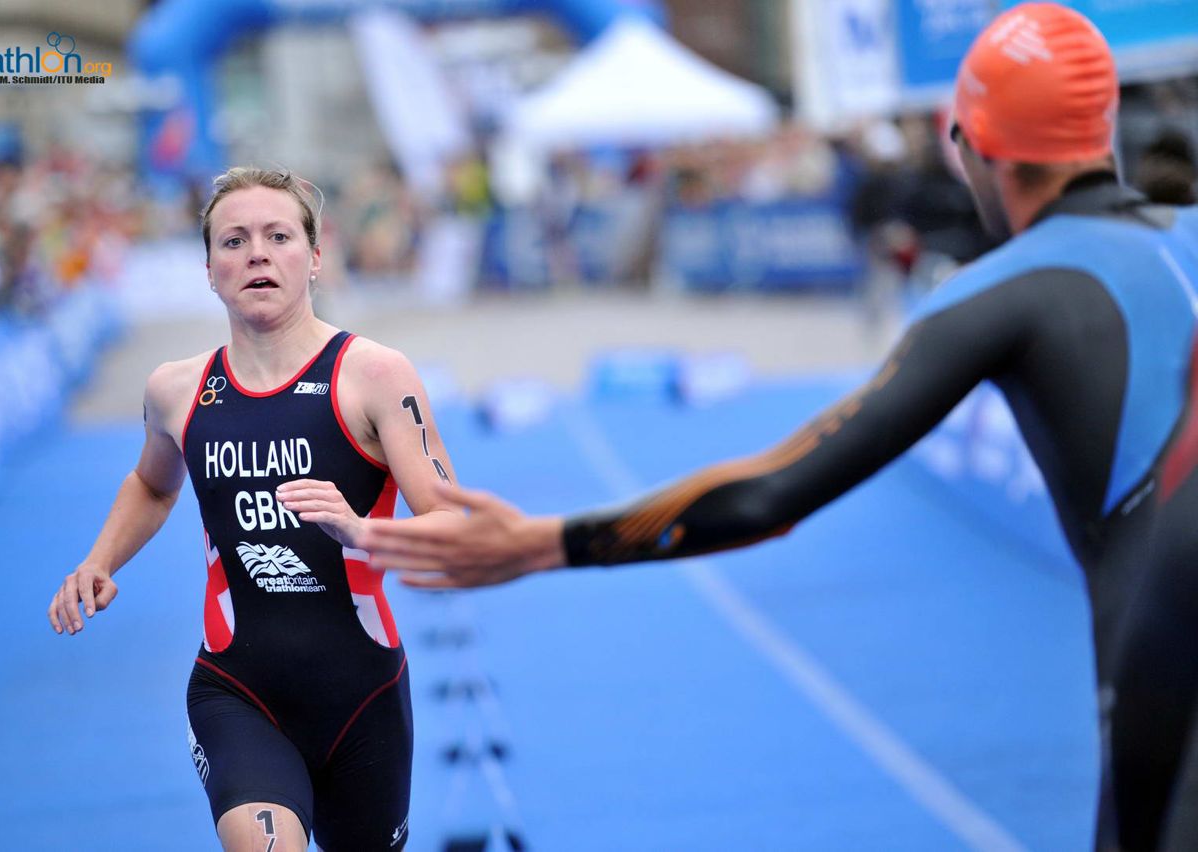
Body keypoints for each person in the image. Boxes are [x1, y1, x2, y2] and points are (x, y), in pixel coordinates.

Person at [359, 5, 1198, 848]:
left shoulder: (1001, 291)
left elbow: (773, 492)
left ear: (974, 144)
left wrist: (544, 541)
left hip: (1165, 669)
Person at [47, 166, 460, 851]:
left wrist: (361, 531)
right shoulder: (178, 390)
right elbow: (153, 486)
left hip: (364, 698)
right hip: (237, 692)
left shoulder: (376, 377)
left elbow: (452, 526)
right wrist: (98, 560)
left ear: (315, 256)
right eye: (234, 241)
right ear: (209, 269)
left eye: (278, 236)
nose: (257, 253)